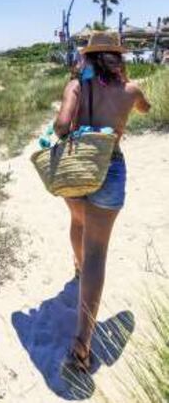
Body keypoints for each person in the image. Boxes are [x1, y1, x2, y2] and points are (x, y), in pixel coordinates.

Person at [54, 31, 151, 372]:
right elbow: (145, 107)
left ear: (89, 57)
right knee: (98, 250)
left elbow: (61, 126)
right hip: (110, 169)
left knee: (77, 222)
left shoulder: (77, 87)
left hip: (76, 169)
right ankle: (82, 343)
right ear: (117, 59)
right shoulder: (131, 90)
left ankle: (78, 269)